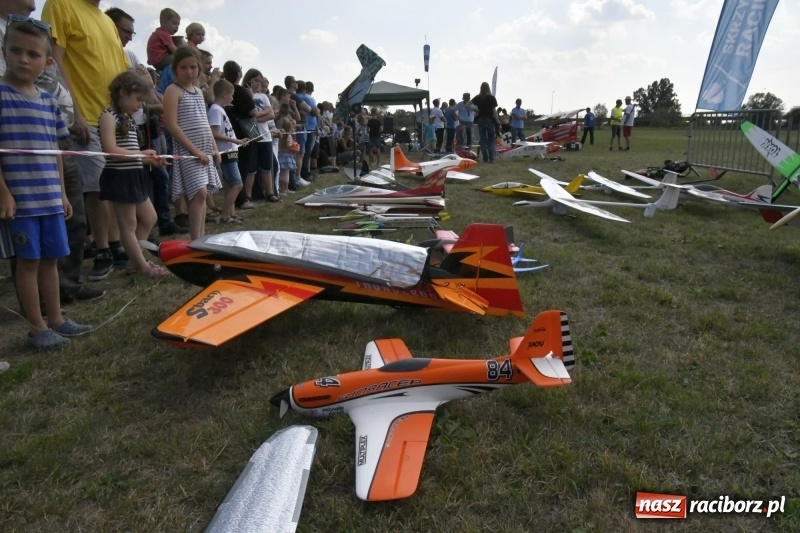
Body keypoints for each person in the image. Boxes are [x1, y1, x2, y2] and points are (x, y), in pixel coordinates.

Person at [0, 16, 93, 349]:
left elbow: (56, 150)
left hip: (51, 198)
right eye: (16, 51)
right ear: (4, 51)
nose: (24, 59)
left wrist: (64, 193)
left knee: (52, 259)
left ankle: (57, 320)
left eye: (33, 54)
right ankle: (37, 327)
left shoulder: (48, 101)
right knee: (28, 262)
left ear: (48, 61)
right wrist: (4, 193)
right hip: (21, 201)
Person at [43, 0, 132, 282]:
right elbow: (54, 61)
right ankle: (103, 249)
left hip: (112, 118)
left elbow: (119, 75)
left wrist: (124, 115)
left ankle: (117, 245)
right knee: (96, 188)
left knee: (115, 184)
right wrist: (75, 113)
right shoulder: (61, 5)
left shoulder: (106, 20)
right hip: (84, 117)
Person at [98, 71, 169, 277]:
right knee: (128, 225)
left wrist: (149, 160)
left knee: (149, 217)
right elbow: (111, 150)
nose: (140, 105)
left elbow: (129, 153)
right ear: (122, 93)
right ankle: (144, 267)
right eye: (138, 100)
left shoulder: (127, 119)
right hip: (120, 178)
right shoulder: (108, 117)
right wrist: (140, 153)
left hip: (133, 175)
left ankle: (133, 260)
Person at [163, 46, 221, 240]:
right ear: (175, 69)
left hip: (204, 150)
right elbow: (171, 125)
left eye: (193, 67)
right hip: (188, 151)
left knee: (202, 195)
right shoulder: (173, 91)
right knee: (198, 192)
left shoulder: (197, 91)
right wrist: (194, 151)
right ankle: (196, 240)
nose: (189, 72)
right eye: (183, 67)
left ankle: (201, 237)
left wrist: (213, 147)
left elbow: (204, 122)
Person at [208, 78, 246, 222]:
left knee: (231, 184)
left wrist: (237, 142)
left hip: (231, 150)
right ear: (224, 93)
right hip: (226, 152)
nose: (232, 97)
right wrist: (235, 140)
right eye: (231, 94)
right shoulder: (216, 110)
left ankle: (232, 213)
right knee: (237, 184)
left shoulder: (220, 110)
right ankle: (225, 215)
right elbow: (214, 133)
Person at [472, 82, 499, 163]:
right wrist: (497, 122)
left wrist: (476, 110)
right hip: (490, 120)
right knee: (491, 140)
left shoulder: (478, 97)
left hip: (480, 120)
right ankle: (492, 158)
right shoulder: (491, 98)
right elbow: (494, 111)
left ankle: (485, 158)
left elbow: (467, 105)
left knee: (482, 140)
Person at [277, 118, 297, 195]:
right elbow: (288, 146)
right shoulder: (288, 136)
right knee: (285, 174)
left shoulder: (280, 136)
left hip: (280, 155)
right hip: (286, 156)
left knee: (281, 174)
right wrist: (295, 148)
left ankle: (282, 188)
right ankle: (285, 189)